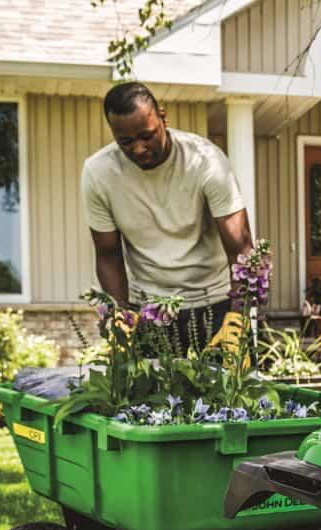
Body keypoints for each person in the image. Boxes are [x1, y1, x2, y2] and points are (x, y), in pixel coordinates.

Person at [82, 82, 254, 348]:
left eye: (147, 136)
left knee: (233, 390)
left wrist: (237, 319)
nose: (138, 149)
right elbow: (108, 255)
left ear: (163, 117)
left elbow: (241, 248)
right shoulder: (99, 173)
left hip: (217, 306)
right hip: (148, 311)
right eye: (126, 142)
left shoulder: (205, 160)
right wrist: (121, 316)